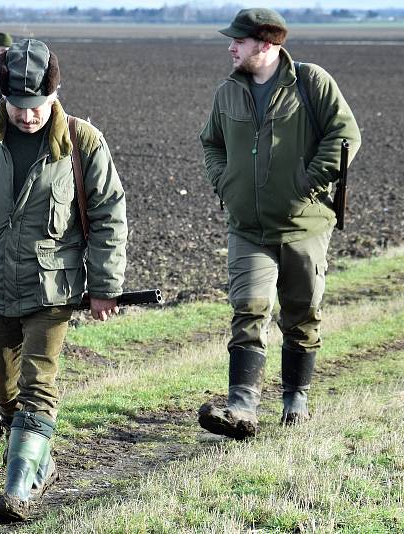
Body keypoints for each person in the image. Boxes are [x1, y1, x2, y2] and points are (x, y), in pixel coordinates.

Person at [0, 38, 127, 522]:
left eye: (37, 106)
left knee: (38, 384)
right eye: (18, 106)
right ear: (3, 98)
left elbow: (108, 215)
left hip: (51, 291)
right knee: (7, 389)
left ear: (53, 94)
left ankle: (16, 492)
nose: (28, 115)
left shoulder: (82, 142)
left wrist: (103, 286)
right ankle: (39, 463)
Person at [198, 8, 361, 440]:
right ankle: (242, 407)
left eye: (239, 40)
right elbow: (210, 143)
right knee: (248, 309)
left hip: (304, 225)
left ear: (266, 45)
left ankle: (295, 399)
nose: (231, 47)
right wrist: (225, 181)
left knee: (301, 313)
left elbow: (345, 135)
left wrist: (307, 182)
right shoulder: (227, 93)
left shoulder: (312, 83)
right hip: (247, 227)